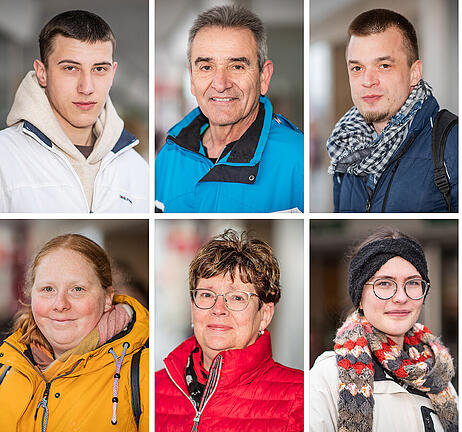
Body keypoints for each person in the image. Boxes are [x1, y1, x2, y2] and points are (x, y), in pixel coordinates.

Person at [155, 5, 303, 213]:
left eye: (237, 66)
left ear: (264, 76)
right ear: (191, 78)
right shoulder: (169, 156)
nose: (221, 83)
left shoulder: (298, 159)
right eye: (206, 67)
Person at [309, 229, 458, 431]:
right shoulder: (328, 377)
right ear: (360, 297)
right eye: (385, 283)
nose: (400, 297)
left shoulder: (440, 378)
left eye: (413, 283)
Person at [0, 10, 148, 213]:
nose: (86, 87)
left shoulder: (138, 170)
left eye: (99, 69)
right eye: (71, 68)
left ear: (112, 73)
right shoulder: (5, 156)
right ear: (43, 73)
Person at [155, 230, 303, 431]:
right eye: (207, 295)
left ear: (265, 314)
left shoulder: (300, 396)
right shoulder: (153, 388)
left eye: (236, 298)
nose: (218, 309)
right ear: (193, 306)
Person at [0, 234, 149, 431]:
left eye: (77, 289)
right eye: (48, 289)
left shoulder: (143, 370)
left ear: (107, 298)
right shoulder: (7, 367)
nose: (60, 304)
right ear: (31, 294)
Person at [326, 9, 458, 213]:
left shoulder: (453, 142)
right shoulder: (345, 148)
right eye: (357, 68)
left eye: (384, 65)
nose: (367, 81)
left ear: (414, 73)